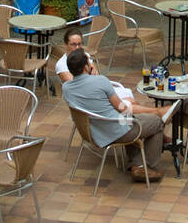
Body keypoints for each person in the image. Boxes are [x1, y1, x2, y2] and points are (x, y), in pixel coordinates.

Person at [61, 49, 166, 183]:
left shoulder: (66, 88)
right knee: (157, 122)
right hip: (116, 129)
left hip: (94, 131)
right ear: (86, 67)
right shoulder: (101, 81)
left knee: (135, 120)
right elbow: (121, 108)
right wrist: (134, 107)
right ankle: (147, 167)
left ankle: (136, 164)